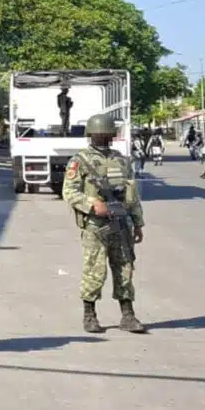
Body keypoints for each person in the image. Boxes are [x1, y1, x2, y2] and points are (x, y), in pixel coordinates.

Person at [62, 113, 147, 334]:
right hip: (95, 225)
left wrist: (138, 222)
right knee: (94, 270)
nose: (103, 138)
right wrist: (92, 205)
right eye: (98, 135)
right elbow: (69, 191)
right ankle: (89, 315)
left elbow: (132, 193)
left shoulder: (121, 159)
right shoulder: (79, 161)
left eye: (106, 135)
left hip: (122, 223)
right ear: (90, 136)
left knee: (125, 269)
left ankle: (128, 315)